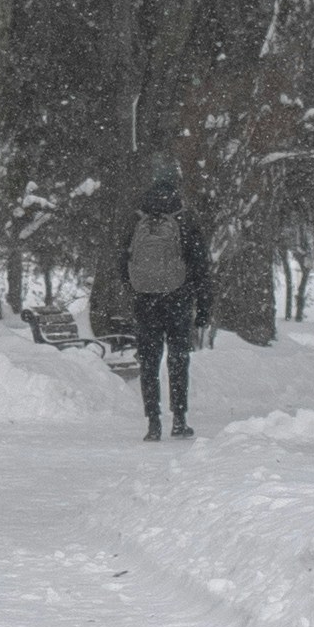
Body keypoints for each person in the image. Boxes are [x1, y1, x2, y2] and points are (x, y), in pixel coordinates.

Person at [122, 157, 213, 439]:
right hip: (178, 299)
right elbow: (199, 266)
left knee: (149, 361)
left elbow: (122, 261)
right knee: (177, 358)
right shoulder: (184, 217)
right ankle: (179, 419)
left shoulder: (138, 218)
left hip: (146, 300)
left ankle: (153, 422)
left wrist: (138, 289)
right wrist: (203, 308)